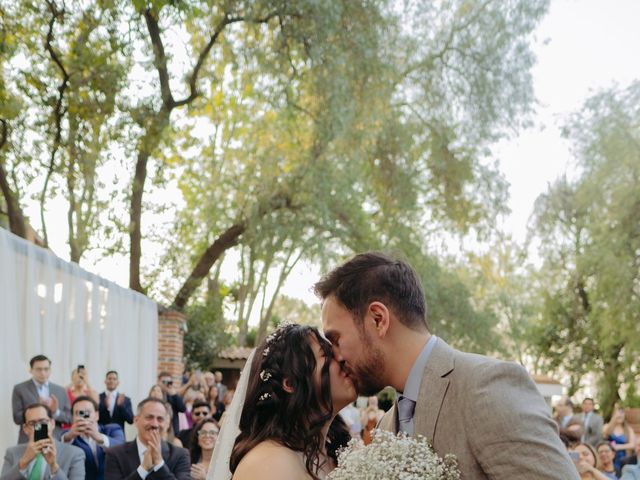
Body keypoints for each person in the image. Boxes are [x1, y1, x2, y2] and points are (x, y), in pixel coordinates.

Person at [314, 251, 579, 479]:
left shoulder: (486, 387)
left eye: (335, 339)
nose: (334, 356)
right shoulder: (385, 426)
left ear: (378, 319)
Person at [212, 323, 355, 480]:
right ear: (291, 383)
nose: (341, 359)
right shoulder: (267, 465)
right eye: (327, 355)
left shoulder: (332, 455)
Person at [104, 397, 190, 479]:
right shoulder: (115, 454)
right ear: (136, 420)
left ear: (167, 424)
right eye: (149, 417)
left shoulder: (180, 455)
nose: (154, 424)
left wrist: (159, 464)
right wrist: (142, 470)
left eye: (160, 419)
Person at [1, 403, 85, 479]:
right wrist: (23, 462)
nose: (39, 427)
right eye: (32, 423)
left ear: (52, 424)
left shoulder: (75, 454)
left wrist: (53, 466)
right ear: (25, 429)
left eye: (43, 422)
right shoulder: (12, 452)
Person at [61, 396, 125, 480]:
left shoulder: (112, 429)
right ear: (73, 418)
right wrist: (69, 436)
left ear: (97, 415)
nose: (83, 417)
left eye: (87, 412)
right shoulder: (68, 436)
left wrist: (99, 437)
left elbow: (122, 448)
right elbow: (61, 447)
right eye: (79, 413)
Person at [11, 355, 72, 443]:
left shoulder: (61, 390)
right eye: (39, 369)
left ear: (50, 370)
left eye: (46, 369)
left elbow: (69, 419)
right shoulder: (19, 389)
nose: (43, 373)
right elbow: (17, 418)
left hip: (55, 441)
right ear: (31, 370)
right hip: (28, 441)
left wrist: (55, 412)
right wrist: (38, 408)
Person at [604, 406, 637, 473]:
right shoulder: (607, 426)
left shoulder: (628, 429)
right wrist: (613, 419)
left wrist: (618, 447)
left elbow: (632, 444)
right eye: (617, 415)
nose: (619, 416)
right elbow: (604, 435)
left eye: (622, 414)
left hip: (623, 457)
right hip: (609, 456)